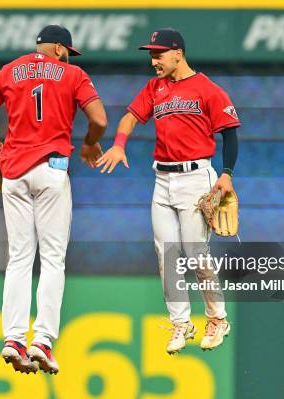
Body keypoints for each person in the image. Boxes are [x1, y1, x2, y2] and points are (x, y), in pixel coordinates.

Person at [0, 25, 107, 374]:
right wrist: (91, 143)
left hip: (14, 172)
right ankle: (42, 340)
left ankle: (13, 338)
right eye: (68, 51)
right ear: (59, 49)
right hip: (52, 170)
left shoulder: (9, 70)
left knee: (18, 258)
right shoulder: (72, 74)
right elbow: (99, 120)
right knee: (52, 260)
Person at [97, 28, 240, 354]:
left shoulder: (208, 90)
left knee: (195, 253)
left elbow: (230, 133)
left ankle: (217, 317)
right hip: (162, 180)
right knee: (167, 254)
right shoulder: (154, 88)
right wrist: (119, 145)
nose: (153, 60)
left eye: (158, 54)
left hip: (195, 178)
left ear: (178, 53)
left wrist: (228, 174)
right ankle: (181, 323)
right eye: (151, 54)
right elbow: (129, 119)